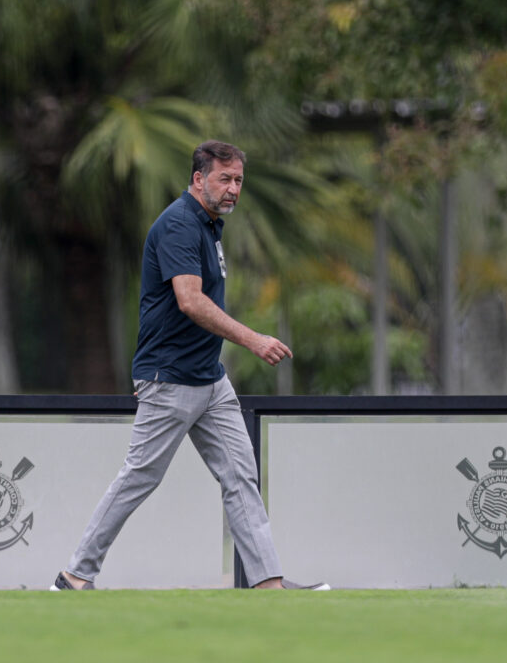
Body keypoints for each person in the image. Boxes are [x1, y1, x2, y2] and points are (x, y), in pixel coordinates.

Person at [51, 140, 328, 591]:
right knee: (139, 477)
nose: (234, 188)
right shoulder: (180, 224)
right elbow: (190, 301)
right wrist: (254, 339)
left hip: (209, 380)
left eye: (239, 180)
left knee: (241, 476)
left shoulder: (210, 225)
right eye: (225, 178)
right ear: (199, 179)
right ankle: (74, 575)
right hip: (169, 378)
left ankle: (269, 587)